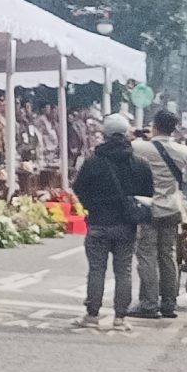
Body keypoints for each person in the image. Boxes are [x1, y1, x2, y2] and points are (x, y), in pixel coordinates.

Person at [72, 114, 153, 331]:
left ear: (105, 135)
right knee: (123, 270)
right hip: (126, 225)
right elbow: (147, 195)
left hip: (98, 222)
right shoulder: (140, 164)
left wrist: (92, 204)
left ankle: (92, 314)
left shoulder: (93, 162)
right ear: (127, 134)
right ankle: (120, 318)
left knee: (97, 270)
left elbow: (78, 188)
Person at [128, 109, 187, 321]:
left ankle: (148, 303)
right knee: (168, 255)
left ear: (154, 125)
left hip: (149, 206)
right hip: (173, 208)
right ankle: (169, 302)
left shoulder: (139, 147)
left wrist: (139, 134)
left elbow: (129, 142)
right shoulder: (184, 151)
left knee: (147, 255)